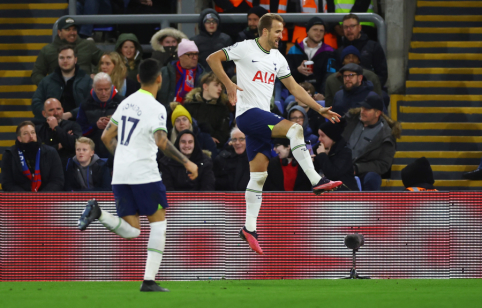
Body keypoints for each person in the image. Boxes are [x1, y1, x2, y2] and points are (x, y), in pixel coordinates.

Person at [206, 13, 343, 255]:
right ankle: (316, 181)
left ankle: (249, 228)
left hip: (261, 117)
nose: (282, 35)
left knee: (258, 176)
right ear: (265, 31)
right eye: (278, 31)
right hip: (248, 115)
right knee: (296, 129)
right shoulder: (245, 47)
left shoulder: (278, 58)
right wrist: (228, 83)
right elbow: (212, 58)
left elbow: (294, 88)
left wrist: (318, 107)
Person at [77, 58, 199, 292]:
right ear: (160, 79)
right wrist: (188, 162)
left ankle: (98, 212)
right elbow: (161, 140)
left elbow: (105, 137)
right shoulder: (156, 107)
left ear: (140, 78)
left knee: (132, 230)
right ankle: (149, 281)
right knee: (159, 224)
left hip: (121, 172)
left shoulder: (126, 103)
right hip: (144, 172)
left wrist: (124, 155)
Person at [342, 93, 401, 191]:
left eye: (367, 109)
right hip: (340, 166)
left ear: (377, 113)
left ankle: (369, 205)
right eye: (362, 107)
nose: (362, 111)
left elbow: (383, 164)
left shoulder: (386, 136)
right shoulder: (350, 119)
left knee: (372, 178)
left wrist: (357, 168)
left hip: (361, 172)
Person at [31, 17, 103, 86]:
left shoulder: (87, 45)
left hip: (85, 89)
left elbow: (105, 60)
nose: (72, 33)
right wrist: (49, 85)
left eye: (74, 29)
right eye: (67, 30)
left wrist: (96, 74)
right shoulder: (47, 50)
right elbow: (36, 74)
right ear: (59, 32)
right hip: (59, 92)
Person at [31, 45, 93, 122]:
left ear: (75, 60)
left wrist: (71, 114)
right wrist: (50, 114)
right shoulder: (46, 81)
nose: (65, 61)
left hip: (78, 123)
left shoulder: (87, 81)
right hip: (50, 125)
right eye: (62, 58)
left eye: (69, 57)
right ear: (58, 60)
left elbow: (91, 104)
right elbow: (36, 103)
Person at [1, 121, 64, 192]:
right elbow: (7, 183)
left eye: (33, 132)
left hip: (46, 199)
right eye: (26, 134)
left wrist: (41, 197)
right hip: (20, 200)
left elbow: (57, 180)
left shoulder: (50, 152)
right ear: (19, 138)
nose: (31, 136)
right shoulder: (10, 154)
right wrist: (26, 198)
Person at [77, 73, 124, 158]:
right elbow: (80, 131)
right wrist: (95, 126)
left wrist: (113, 126)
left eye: (106, 89)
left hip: (117, 154)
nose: (103, 93)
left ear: (112, 87)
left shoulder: (122, 103)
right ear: (93, 88)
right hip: (93, 155)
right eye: (99, 89)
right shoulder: (85, 105)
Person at [286, 17, 336, 94]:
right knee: (289, 101)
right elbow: (285, 75)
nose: (318, 33)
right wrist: (298, 71)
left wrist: (322, 94)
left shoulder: (329, 51)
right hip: (297, 93)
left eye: (321, 31)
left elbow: (330, 75)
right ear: (307, 31)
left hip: (318, 94)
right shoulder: (294, 50)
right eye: (315, 30)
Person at [337, 14, 387, 86]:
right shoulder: (339, 51)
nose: (348, 30)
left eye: (352, 26)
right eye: (345, 27)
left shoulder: (373, 47)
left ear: (359, 27)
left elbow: (382, 75)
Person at [184, 72, 231, 149]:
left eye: (221, 86)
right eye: (216, 85)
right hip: (190, 144)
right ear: (205, 87)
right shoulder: (190, 105)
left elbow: (223, 132)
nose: (220, 89)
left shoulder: (223, 109)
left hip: (213, 147)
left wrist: (212, 139)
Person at [157, 39, 206, 110]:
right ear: (180, 56)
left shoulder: (203, 75)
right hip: (168, 114)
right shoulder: (164, 73)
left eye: (196, 54)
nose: (195, 58)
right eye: (190, 54)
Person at [35, 98, 83, 167]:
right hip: (45, 167)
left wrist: (56, 127)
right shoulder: (38, 130)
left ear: (63, 110)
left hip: (68, 167)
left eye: (58, 109)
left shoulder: (73, 125)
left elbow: (75, 144)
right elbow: (38, 151)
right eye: (51, 110)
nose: (56, 113)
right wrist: (59, 145)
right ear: (44, 113)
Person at [313, 120, 358, 191]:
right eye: (319, 135)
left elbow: (333, 174)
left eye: (322, 136)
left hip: (345, 193)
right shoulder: (317, 149)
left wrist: (322, 155)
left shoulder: (345, 152)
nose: (319, 139)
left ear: (332, 137)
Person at [191, 9, 233, 75]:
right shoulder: (194, 41)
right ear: (202, 24)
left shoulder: (226, 39)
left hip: (223, 76)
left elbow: (231, 63)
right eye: (207, 21)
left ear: (218, 23)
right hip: (201, 77)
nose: (211, 24)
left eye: (214, 21)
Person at [213, 127, 250, 191]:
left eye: (241, 139)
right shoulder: (221, 159)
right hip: (226, 198)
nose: (237, 143)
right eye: (234, 139)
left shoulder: (255, 159)